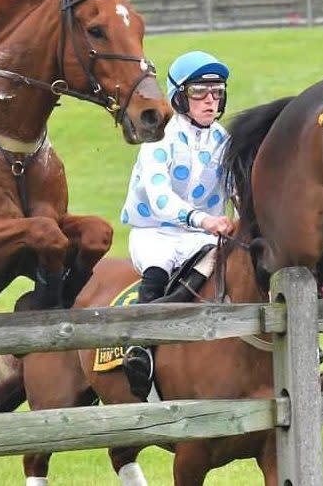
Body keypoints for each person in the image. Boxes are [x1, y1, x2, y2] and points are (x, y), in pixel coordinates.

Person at [120, 50, 234, 397]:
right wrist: (204, 219)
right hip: (154, 232)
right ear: (180, 97)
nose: (210, 101)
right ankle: (137, 348)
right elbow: (160, 198)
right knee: (157, 270)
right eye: (200, 92)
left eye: (217, 93)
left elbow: (237, 189)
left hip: (200, 237)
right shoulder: (161, 137)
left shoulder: (223, 140)